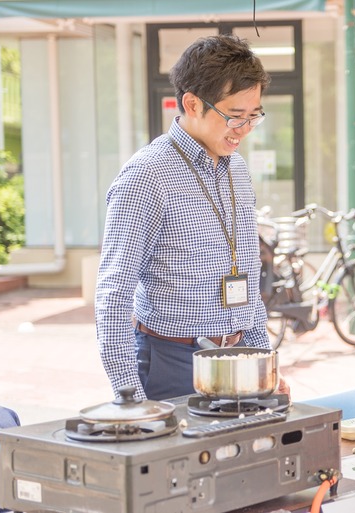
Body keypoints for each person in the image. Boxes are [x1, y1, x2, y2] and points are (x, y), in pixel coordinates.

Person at [96, 34, 289, 401]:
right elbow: (113, 294)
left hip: (238, 357)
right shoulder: (146, 176)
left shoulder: (237, 169)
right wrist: (130, 400)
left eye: (253, 117)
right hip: (171, 362)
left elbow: (245, 274)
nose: (244, 130)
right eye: (234, 117)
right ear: (192, 103)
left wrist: (265, 363)